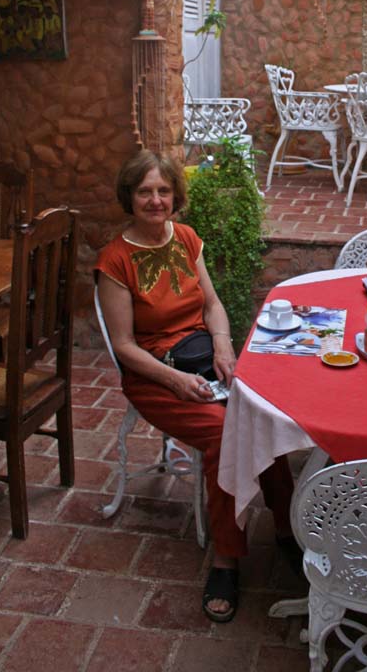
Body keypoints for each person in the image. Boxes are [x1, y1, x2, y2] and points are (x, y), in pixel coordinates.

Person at [95, 150, 297, 622]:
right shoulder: (115, 260)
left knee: (263, 413)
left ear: (174, 195)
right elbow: (124, 346)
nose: (155, 200)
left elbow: (212, 305)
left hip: (205, 359)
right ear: (130, 196)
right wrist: (177, 380)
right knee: (227, 433)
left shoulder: (185, 238)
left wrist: (224, 347)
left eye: (163, 190)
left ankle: (289, 528)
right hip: (154, 375)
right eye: (145, 191)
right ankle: (226, 559)